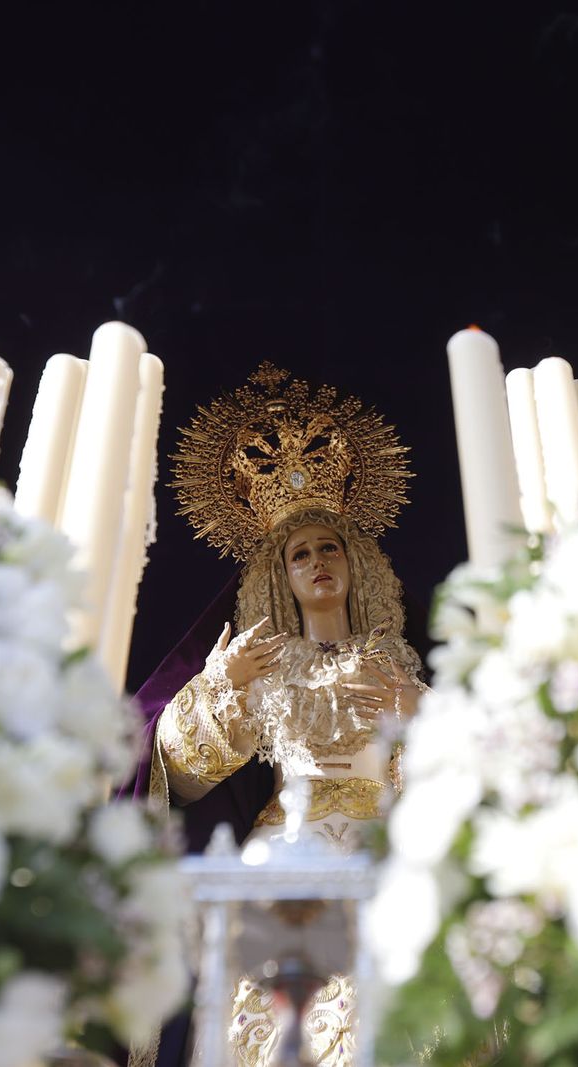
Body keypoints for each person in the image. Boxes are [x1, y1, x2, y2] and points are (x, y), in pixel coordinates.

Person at [133, 363, 425, 1067]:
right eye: (301, 554)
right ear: (282, 575)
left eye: (329, 547)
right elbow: (181, 773)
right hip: (283, 855)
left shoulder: (393, 661)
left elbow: (441, 776)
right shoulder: (262, 663)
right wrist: (222, 686)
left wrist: (420, 722)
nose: (318, 562)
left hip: (379, 855)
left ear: (353, 561)